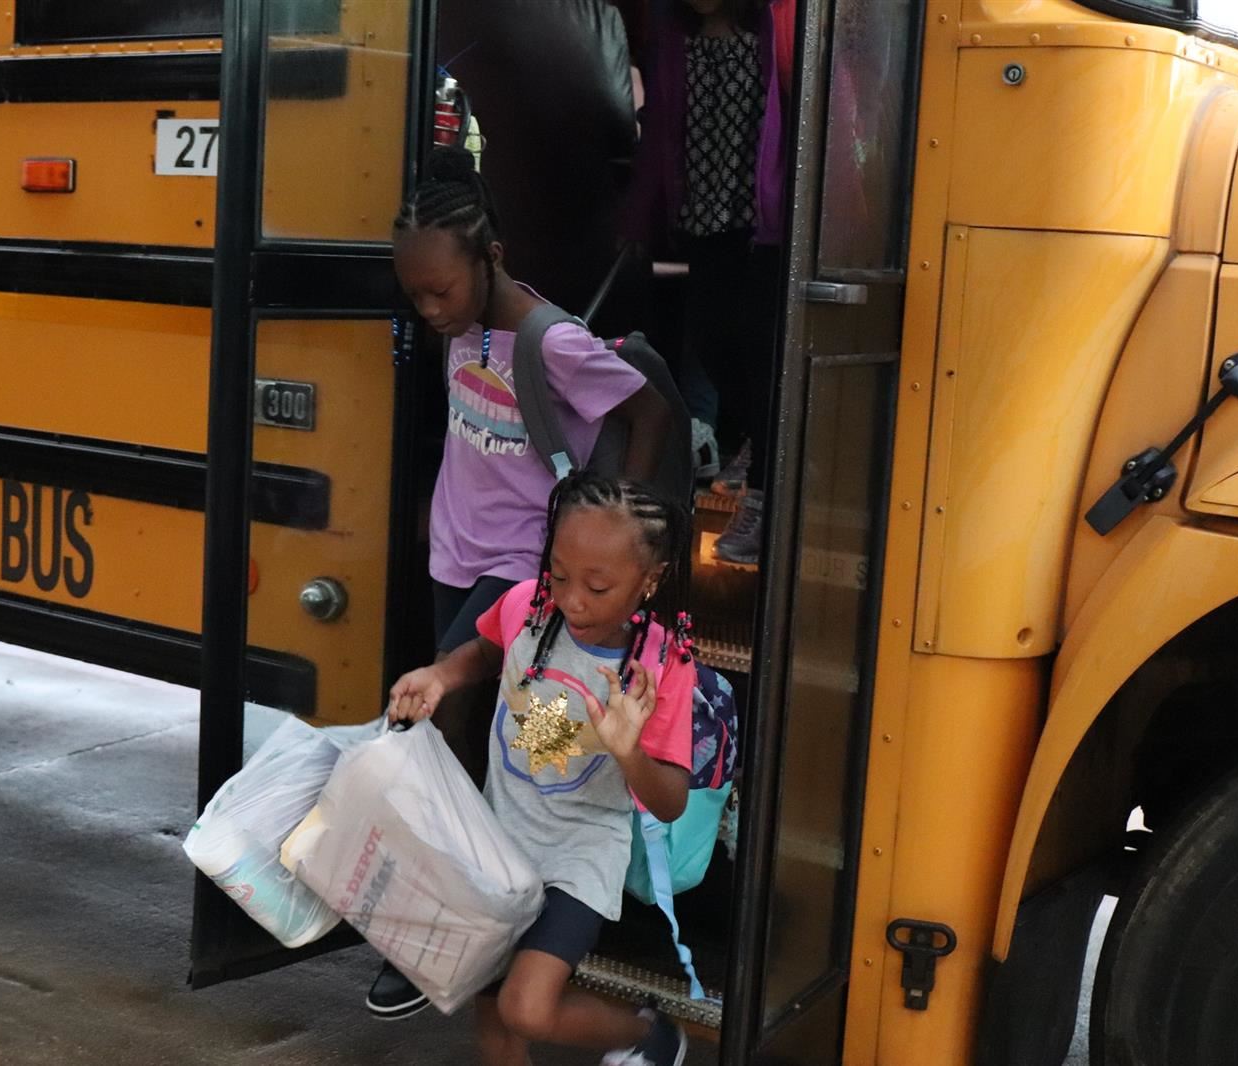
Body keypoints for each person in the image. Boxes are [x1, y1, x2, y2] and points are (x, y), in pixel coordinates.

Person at [372, 146, 673, 1020]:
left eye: (442, 292)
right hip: (454, 551)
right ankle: (500, 910)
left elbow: (646, 409)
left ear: (490, 259)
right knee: (480, 740)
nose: (429, 310)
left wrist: (617, 516)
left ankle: (443, 931)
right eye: (415, 294)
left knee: (457, 719)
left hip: (519, 566)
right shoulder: (464, 328)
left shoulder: (553, 341)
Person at [388, 471, 697, 1066]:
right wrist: (440, 676)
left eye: (598, 587)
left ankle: (646, 1036)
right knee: (493, 1019)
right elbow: (485, 649)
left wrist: (627, 749)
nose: (572, 599)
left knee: (525, 1008)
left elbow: (670, 802)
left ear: (650, 580)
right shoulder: (525, 604)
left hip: (578, 857)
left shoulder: (660, 667)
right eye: (558, 574)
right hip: (496, 841)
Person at [624, 0, 795, 561]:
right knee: (713, 344)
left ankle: (766, 497)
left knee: (758, 351)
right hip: (704, 219)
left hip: (762, 222)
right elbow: (660, 135)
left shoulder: (777, 31)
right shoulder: (674, 43)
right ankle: (755, 439)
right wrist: (641, 220)